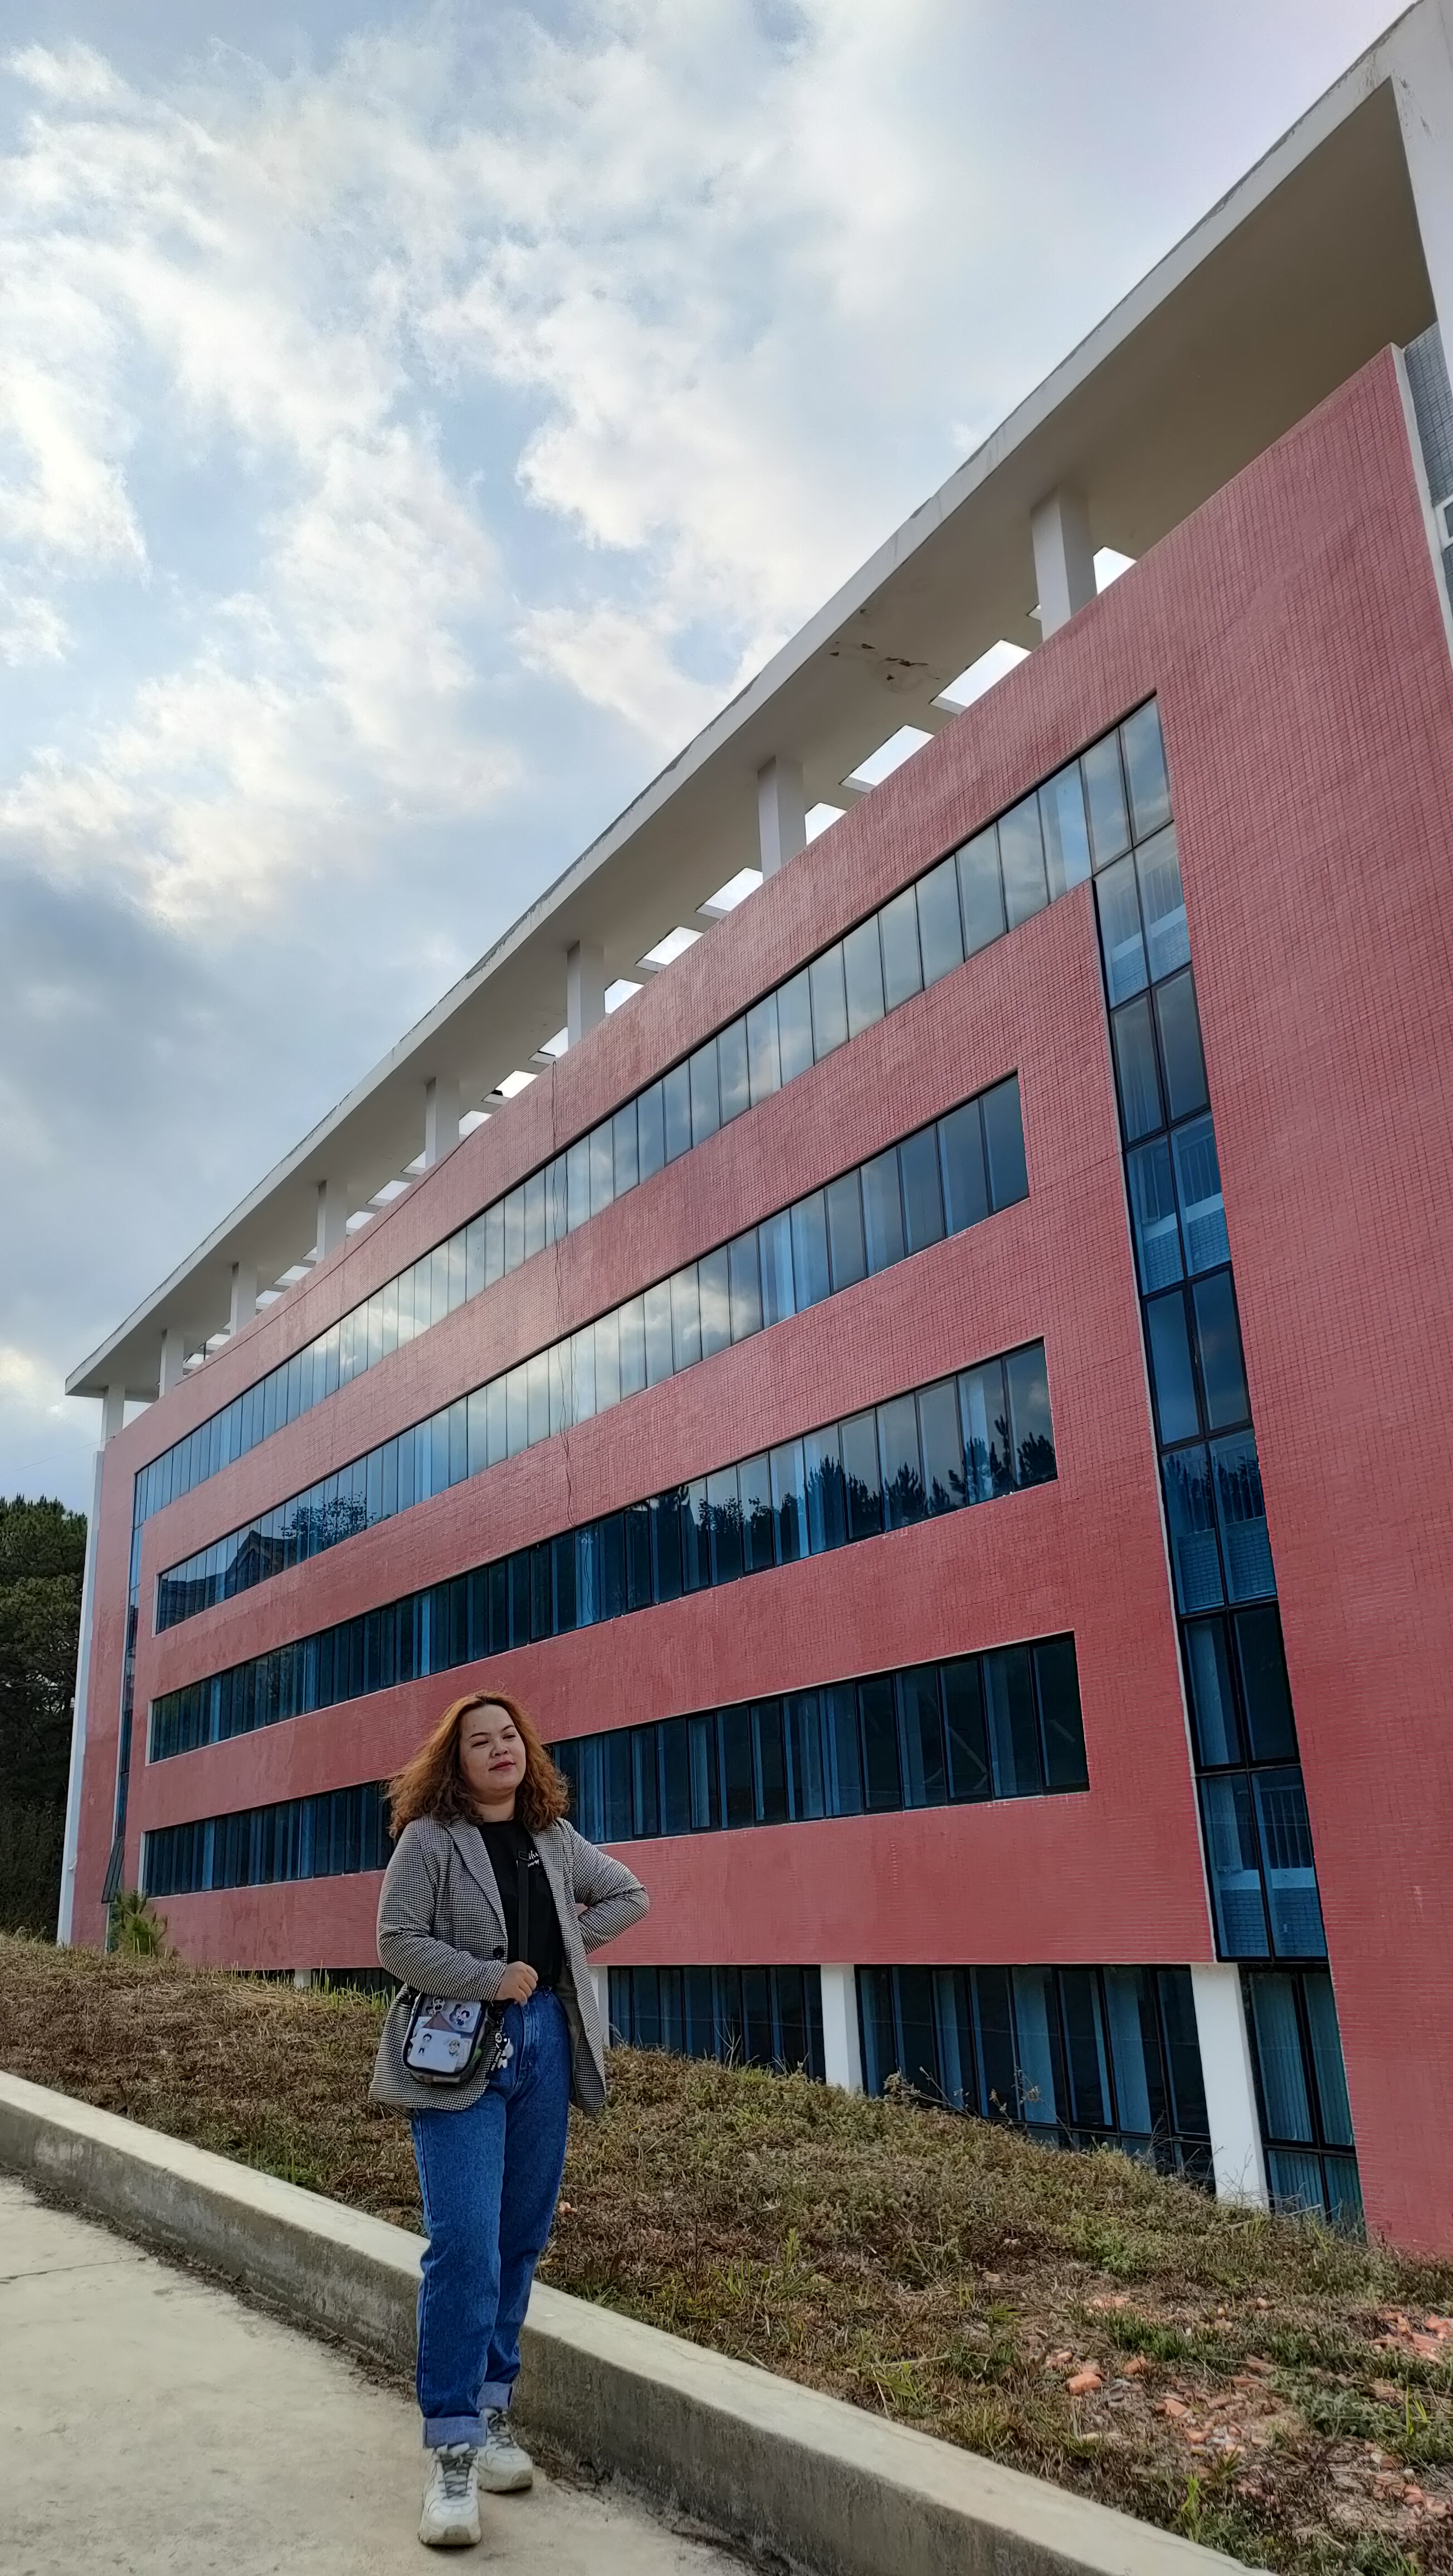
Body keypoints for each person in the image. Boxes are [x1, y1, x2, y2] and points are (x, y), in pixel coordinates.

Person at [371, 1689, 649, 2550]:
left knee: (519, 2238)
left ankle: (494, 2413)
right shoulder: (430, 1839)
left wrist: (560, 1947)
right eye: (480, 1741)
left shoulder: (552, 1838)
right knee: (465, 2246)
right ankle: (452, 2448)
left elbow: (629, 1895)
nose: (500, 1749)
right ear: (454, 1762)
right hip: (455, 2048)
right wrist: (489, 1976)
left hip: (543, 2048)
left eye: (510, 1737)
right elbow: (396, 1941)